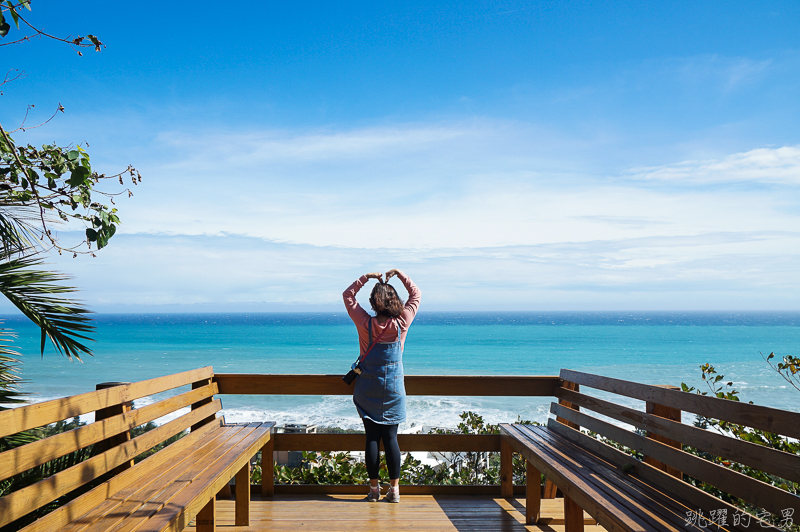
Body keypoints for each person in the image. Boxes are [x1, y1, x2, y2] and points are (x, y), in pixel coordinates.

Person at [342, 268, 421, 503]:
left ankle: (374, 490)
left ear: (374, 302)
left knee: (371, 439)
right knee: (391, 439)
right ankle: (395, 491)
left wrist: (366, 278)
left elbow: (348, 296)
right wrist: (400, 275)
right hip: (393, 388)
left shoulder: (365, 322)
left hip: (368, 387)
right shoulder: (402, 322)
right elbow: (415, 296)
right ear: (394, 300)